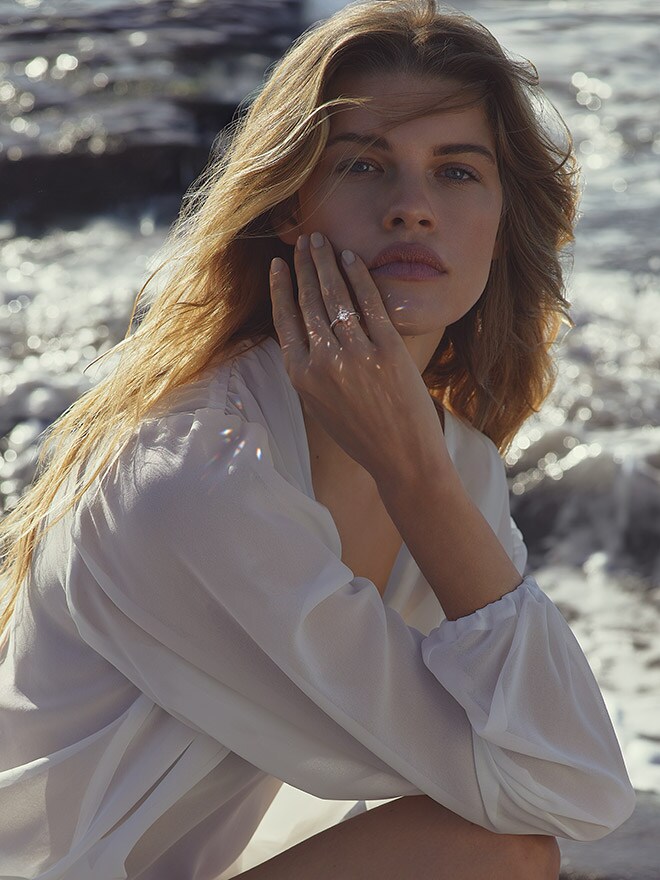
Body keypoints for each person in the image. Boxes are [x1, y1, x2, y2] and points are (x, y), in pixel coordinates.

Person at [0, 1, 635, 878]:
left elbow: (568, 784)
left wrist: (423, 475)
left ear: (500, 220)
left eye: (456, 173)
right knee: (495, 855)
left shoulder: (456, 468)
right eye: (364, 165)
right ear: (291, 207)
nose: (412, 207)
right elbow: (570, 790)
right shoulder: (195, 480)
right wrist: (417, 478)